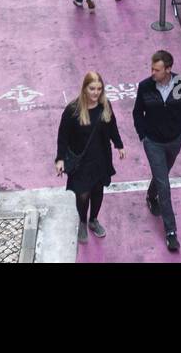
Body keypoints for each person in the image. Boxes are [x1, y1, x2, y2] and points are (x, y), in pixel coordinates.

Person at [55, 71, 125, 244]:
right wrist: (60, 159)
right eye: (92, 88)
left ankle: (94, 219)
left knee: (98, 191)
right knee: (83, 195)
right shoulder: (73, 110)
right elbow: (62, 136)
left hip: (101, 158)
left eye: (99, 89)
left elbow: (112, 127)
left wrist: (119, 145)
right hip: (81, 162)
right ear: (84, 89)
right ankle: (83, 221)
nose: (96, 93)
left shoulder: (105, 106)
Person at [132, 50, 181, 253]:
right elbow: (137, 112)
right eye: (151, 68)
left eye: (156, 69)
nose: (152, 73)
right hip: (153, 142)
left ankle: (150, 194)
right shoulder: (145, 86)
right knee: (164, 185)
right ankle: (171, 233)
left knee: (162, 175)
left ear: (168, 69)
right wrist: (143, 136)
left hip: (175, 140)